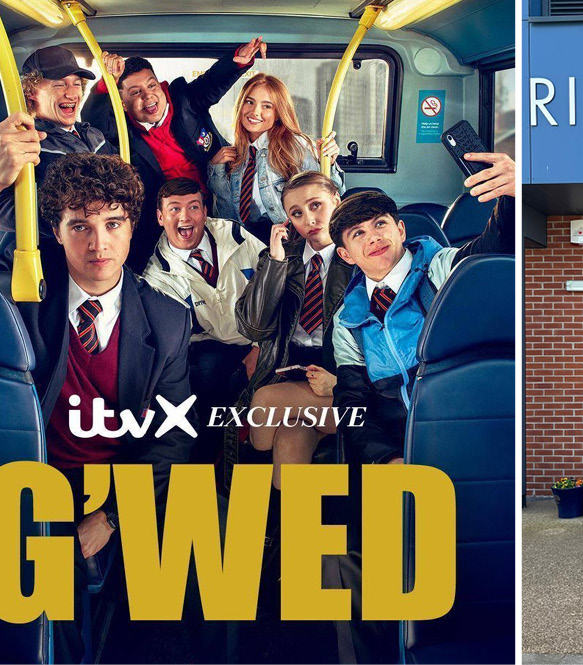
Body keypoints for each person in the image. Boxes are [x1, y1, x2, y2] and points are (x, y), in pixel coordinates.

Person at [0, 114, 199, 662]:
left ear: (133, 228)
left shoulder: (168, 320)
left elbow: (174, 437)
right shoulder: (22, 293)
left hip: (110, 483)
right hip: (27, 473)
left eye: (114, 224)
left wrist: (114, 515)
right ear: (56, 231)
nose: (99, 244)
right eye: (81, 226)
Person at [330, 152, 515, 466]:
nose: (373, 237)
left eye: (380, 224)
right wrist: (387, 458)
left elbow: (491, 249)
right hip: (400, 447)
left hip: (467, 426)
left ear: (400, 230)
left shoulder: (441, 268)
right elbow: (352, 404)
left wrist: (513, 194)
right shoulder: (347, 321)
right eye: (358, 233)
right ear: (346, 254)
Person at [85, 38, 267, 272]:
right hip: (163, 222)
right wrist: (104, 84)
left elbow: (211, 83)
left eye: (152, 86)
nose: (148, 96)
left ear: (161, 85)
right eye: (136, 92)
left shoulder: (183, 99)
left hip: (216, 205)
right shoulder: (121, 131)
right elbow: (92, 119)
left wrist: (237, 62)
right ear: (123, 103)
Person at [229, 171, 351, 490]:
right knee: (290, 441)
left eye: (316, 205)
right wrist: (275, 263)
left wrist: (341, 381)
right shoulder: (281, 259)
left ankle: (253, 481)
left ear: (337, 203)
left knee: (265, 403)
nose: (309, 219)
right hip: (289, 370)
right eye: (297, 213)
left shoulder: (361, 257)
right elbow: (253, 325)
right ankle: (292, 533)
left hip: (341, 382)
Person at [141, 177, 265, 465]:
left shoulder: (235, 234)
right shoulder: (156, 276)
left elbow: (274, 285)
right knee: (207, 373)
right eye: (174, 209)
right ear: (160, 217)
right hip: (209, 346)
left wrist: (259, 346)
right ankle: (211, 460)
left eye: (193, 207)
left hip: (260, 336)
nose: (184, 217)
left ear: (205, 213)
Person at [0, 46, 118, 263]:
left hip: (100, 251)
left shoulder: (93, 135)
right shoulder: (28, 141)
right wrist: (72, 214)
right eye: (59, 84)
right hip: (54, 261)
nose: (71, 92)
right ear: (32, 93)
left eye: (76, 84)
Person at [209, 73, 344, 244]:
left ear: (278, 112)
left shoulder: (295, 146)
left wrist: (329, 164)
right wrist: (216, 170)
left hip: (290, 240)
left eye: (267, 106)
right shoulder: (237, 153)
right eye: (249, 102)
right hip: (248, 241)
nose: (255, 111)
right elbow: (227, 216)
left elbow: (331, 196)